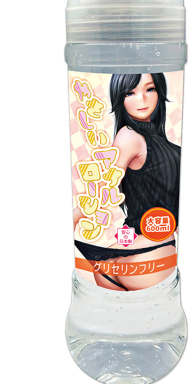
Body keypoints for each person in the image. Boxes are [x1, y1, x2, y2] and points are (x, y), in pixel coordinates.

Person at [74, 73, 181, 291]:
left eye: (150, 89)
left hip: (122, 255)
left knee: (118, 312)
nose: (142, 98)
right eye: (130, 93)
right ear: (120, 99)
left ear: (159, 91)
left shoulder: (155, 140)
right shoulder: (130, 136)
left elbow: (103, 189)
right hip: (152, 247)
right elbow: (103, 188)